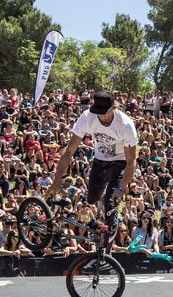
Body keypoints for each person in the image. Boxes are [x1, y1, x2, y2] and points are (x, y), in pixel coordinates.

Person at [47, 90, 138, 219]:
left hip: (120, 161)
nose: (101, 117)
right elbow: (69, 151)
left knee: (110, 201)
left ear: (113, 108)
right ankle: (100, 205)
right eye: (98, 113)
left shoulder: (125, 125)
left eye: (105, 114)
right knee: (91, 199)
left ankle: (110, 222)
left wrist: (121, 187)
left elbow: (131, 161)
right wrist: (57, 179)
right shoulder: (87, 117)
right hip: (100, 160)